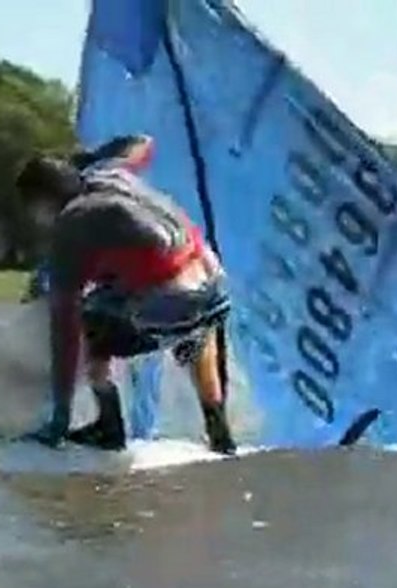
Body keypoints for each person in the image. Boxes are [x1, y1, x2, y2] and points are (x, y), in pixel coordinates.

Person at [14, 133, 237, 455]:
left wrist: (59, 417)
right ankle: (219, 430)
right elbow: (141, 141)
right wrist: (89, 159)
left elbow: (65, 330)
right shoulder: (111, 172)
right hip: (214, 288)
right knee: (195, 328)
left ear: (43, 202)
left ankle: (109, 424)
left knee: (88, 320)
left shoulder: (72, 222)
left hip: (176, 302)